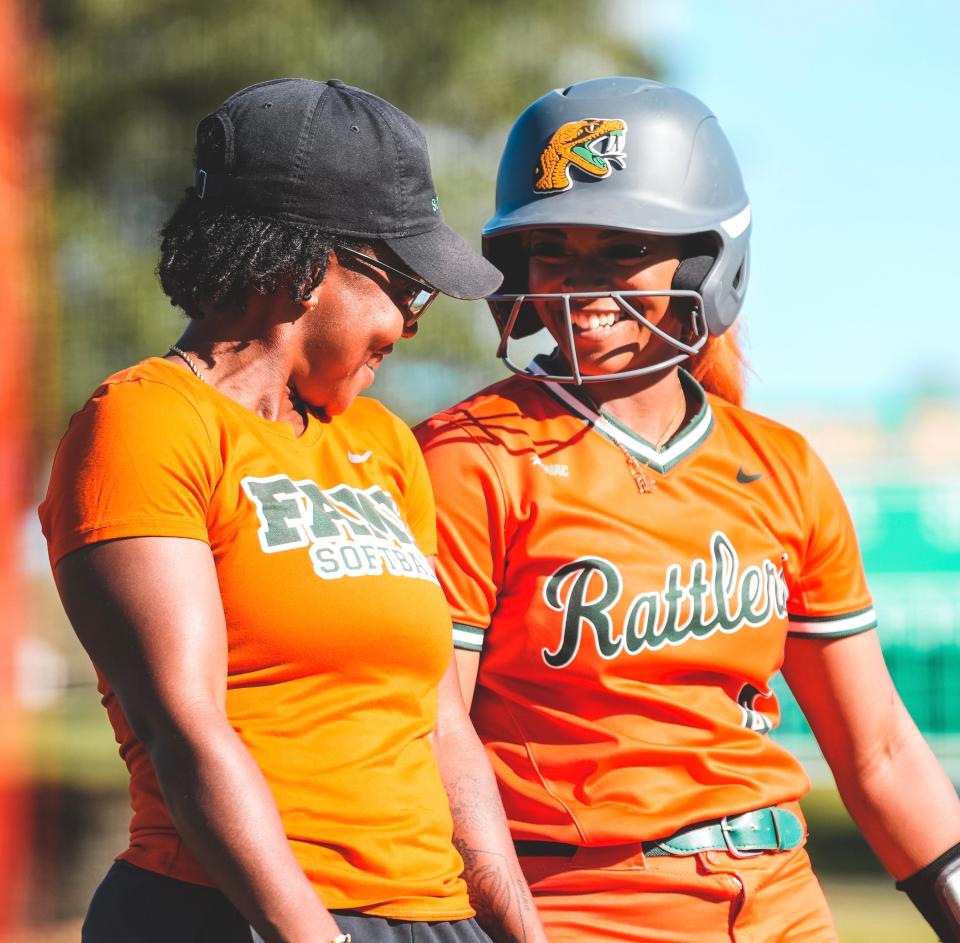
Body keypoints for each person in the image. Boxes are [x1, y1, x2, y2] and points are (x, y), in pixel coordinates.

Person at [415, 77, 960, 943]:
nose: (582, 284)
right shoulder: (470, 456)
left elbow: (880, 749)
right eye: (552, 249)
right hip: (582, 907)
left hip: (784, 903)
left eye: (623, 247)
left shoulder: (779, 465)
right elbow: (430, 741)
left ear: (708, 261)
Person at [39, 78, 549, 943]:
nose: (410, 327)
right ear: (309, 268)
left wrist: (511, 922)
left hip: (430, 916)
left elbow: (437, 719)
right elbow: (184, 726)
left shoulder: (382, 443)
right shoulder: (146, 422)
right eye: (407, 289)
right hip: (234, 912)